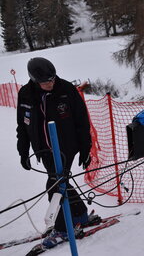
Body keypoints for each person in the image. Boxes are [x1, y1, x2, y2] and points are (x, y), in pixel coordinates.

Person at [16, 57, 95, 248]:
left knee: (55, 184)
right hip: (43, 150)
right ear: (34, 80)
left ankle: (62, 227)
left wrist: (86, 148)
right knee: (61, 182)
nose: (50, 84)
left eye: (52, 79)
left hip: (66, 148)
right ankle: (81, 215)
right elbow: (22, 125)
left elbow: (82, 121)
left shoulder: (66, 90)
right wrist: (23, 152)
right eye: (45, 82)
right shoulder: (25, 94)